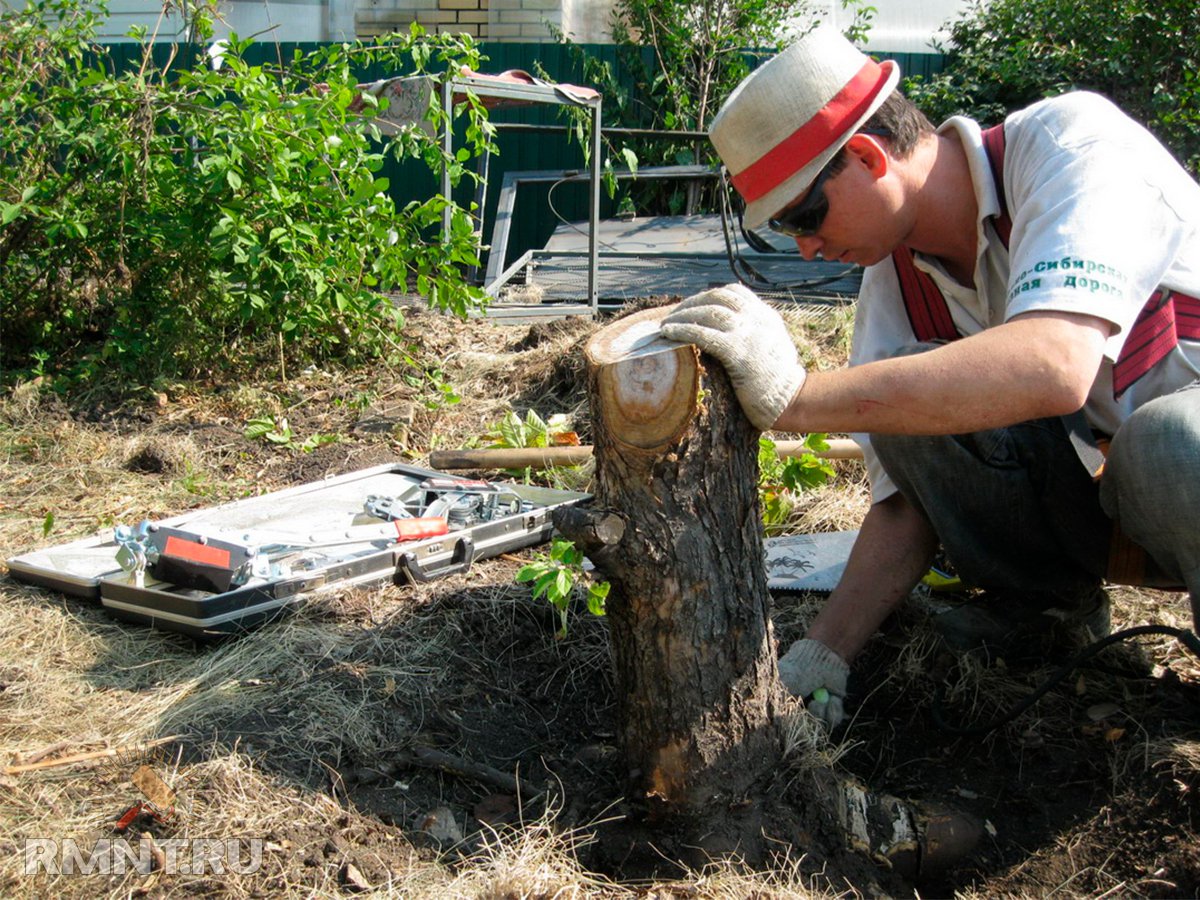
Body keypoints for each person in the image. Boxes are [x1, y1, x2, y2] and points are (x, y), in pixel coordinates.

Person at [658, 25, 1200, 729]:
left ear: (864, 154)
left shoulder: (1072, 148)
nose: (807, 247)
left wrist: (797, 396)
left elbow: (1054, 364)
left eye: (805, 214)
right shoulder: (897, 278)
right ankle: (1048, 615)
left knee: (1169, 440)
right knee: (904, 387)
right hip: (1123, 502)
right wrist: (826, 653)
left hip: (1179, 460)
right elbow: (904, 502)